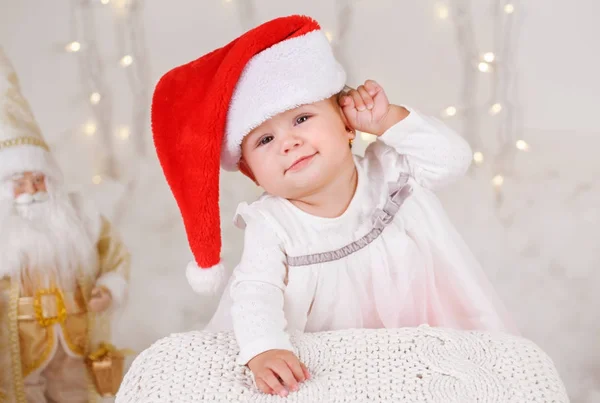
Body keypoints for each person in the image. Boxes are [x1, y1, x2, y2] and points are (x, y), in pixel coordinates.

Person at [151, 15, 518, 398]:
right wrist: (265, 348)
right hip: (327, 365)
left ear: (346, 126)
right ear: (253, 174)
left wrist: (389, 120)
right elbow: (255, 291)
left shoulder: (389, 171)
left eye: (302, 118)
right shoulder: (272, 223)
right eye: (264, 140)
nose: (288, 143)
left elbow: (453, 160)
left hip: (423, 328)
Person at [0, 47, 130, 402]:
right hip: (17, 345)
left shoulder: (79, 216)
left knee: (75, 390)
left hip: (74, 337)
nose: (31, 190)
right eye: (19, 183)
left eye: (38, 180)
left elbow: (115, 255)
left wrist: (108, 286)